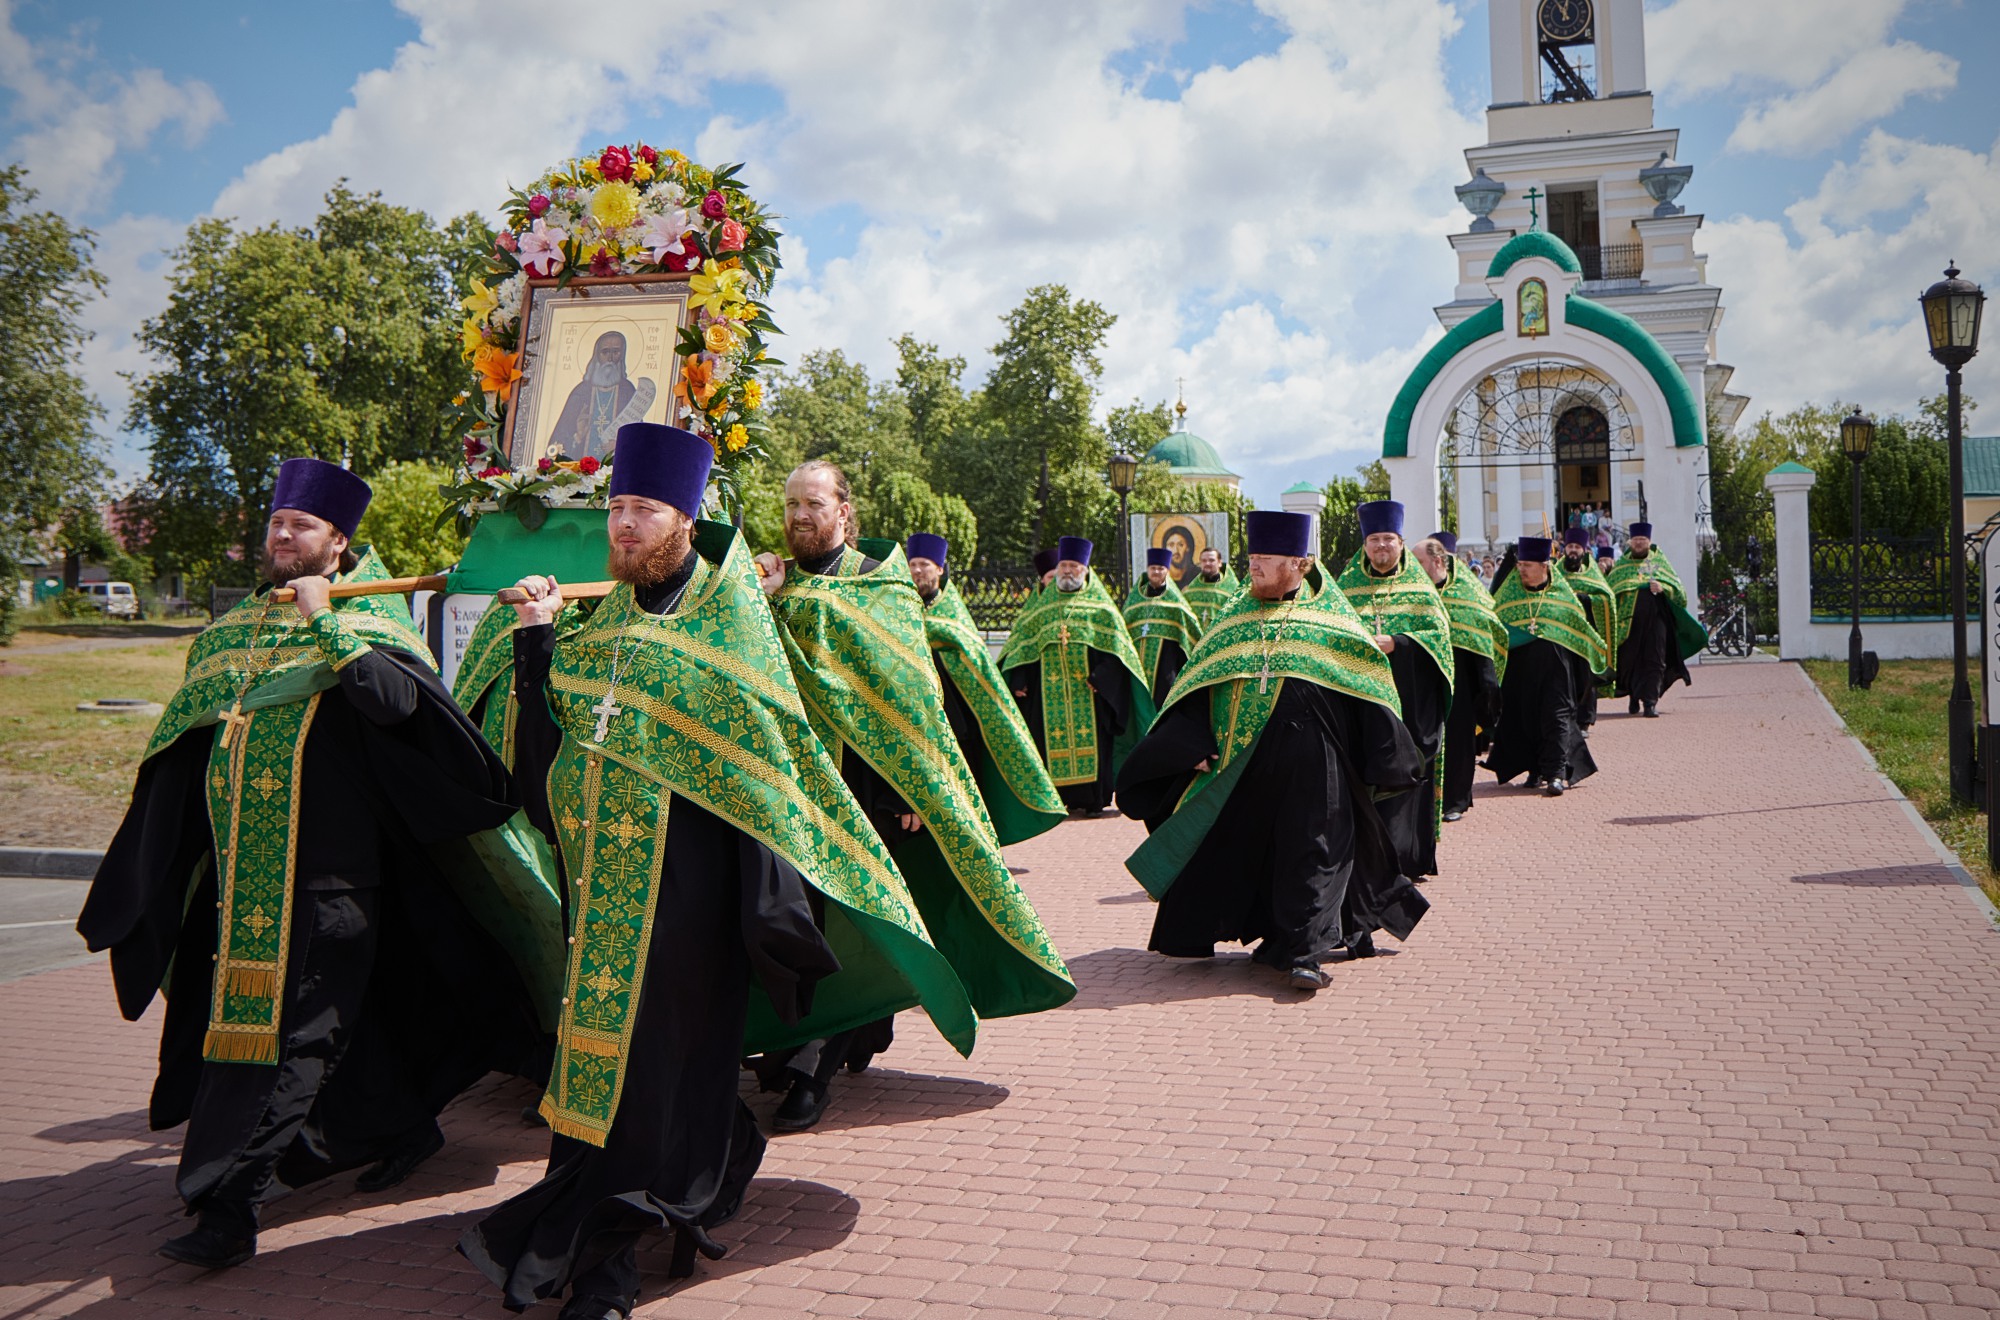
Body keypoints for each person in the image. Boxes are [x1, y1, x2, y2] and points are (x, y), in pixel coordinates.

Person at [463, 426, 975, 1319]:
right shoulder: (602, 625)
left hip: (694, 903)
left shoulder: (730, 623)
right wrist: (538, 637)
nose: (622, 527)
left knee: (659, 1069)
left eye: (642, 511)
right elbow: (544, 771)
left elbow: (772, 780)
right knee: (611, 1071)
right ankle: (704, 1158)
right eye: (616, 510)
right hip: (604, 899)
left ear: (685, 519)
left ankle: (610, 1264)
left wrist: (771, 916)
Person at [79, 458, 560, 1272]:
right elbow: (183, 746)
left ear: (338, 546)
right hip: (245, 883)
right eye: (275, 525)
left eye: (299, 528)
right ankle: (398, 1125)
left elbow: (396, 704)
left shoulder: (369, 628)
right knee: (275, 1036)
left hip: (335, 886)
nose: (280, 537)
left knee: (293, 1045)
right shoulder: (236, 634)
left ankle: (231, 1206)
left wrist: (327, 624)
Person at [754, 463, 1074, 1131]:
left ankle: (815, 1070)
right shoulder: (777, 584)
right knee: (797, 920)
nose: (799, 516)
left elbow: (911, 703)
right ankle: (840, 1032)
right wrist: (764, 597)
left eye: (813, 503)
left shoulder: (881, 587)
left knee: (860, 922)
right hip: (793, 790)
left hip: (872, 791)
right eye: (791, 505)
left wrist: (912, 789)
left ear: (845, 511)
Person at [1116, 511, 1428, 992]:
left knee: (1315, 850)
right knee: (1257, 850)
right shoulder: (1233, 619)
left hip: (1319, 763)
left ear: (1299, 565)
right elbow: (1197, 686)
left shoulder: (1331, 620)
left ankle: (1307, 953)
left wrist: (1388, 756)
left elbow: (1369, 687)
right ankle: (1278, 938)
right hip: (1247, 763)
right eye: (1252, 557)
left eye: (1266, 558)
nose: (1254, 566)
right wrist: (1190, 746)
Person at [911, 534, 1068, 846]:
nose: (917, 571)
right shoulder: (900, 612)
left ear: (940, 569)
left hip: (960, 723)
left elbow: (973, 663)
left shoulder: (952, 615)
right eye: (912, 564)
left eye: (924, 565)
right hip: (919, 722)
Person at [1335, 501, 1453, 883]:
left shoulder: (1420, 589)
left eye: (1388, 538)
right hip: (1363, 701)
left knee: (1409, 776)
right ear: (1364, 544)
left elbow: (1440, 642)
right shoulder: (1345, 589)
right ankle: (1368, 854)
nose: (1381, 546)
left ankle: (1407, 857)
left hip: (1410, 702)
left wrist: (1399, 643)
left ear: (1401, 543)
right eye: (1373, 539)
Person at [998, 537, 1155, 816]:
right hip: (1049, 696)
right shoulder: (1041, 608)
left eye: (1073, 565)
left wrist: (1101, 678)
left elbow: (1118, 654)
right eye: (1063, 565)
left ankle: (1094, 800)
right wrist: (1020, 678)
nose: (1067, 571)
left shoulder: (1102, 610)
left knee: (1096, 744)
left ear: (1085, 569)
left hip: (1090, 695)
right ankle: (1056, 799)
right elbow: (1023, 646)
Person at [1483, 537, 1608, 796]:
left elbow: (1580, 630)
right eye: (1520, 564)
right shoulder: (1507, 597)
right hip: (1520, 674)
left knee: (1557, 718)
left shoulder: (1562, 597)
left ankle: (1556, 774)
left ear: (1545, 566)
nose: (1522, 570)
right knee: (1526, 719)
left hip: (1557, 673)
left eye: (1528, 565)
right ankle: (1535, 768)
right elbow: (1494, 629)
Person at [1413, 531, 1505, 823]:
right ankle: (1425, 800)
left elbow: (1483, 636)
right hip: (1423, 679)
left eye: (1418, 561)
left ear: (1438, 560)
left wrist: (1487, 685)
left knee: (1459, 741)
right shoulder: (1412, 593)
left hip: (1460, 679)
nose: (1412, 567)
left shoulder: (1467, 591)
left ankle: (1456, 800)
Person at [1607, 522, 1705, 717]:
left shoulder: (1659, 563)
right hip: (1629, 623)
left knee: (1655, 660)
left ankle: (1650, 702)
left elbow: (1679, 593)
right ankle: (1634, 696)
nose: (1639, 543)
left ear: (1649, 541)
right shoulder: (1622, 566)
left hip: (1657, 622)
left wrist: (1663, 588)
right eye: (1636, 540)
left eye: (1642, 540)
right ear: (1630, 542)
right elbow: (1611, 592)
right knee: (1630, 660)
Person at [547, 331, 658, 463]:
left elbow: (638, 437)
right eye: (605, 352)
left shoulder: (627, 391)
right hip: (578, 475)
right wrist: (578, 437)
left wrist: (619, 447)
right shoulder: (581, 392)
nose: (610, 358)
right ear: (597, 355)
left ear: (622, 355)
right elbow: (558, 441)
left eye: (616, 352)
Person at [1123, 546, 1203, 707]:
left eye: (1161, 568)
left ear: (1167, 571)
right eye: (1153, 568)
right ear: (1147, 570)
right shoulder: (1135, 600)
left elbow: (1191, 633)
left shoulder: (1175, 601)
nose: (1157, 572)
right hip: (1138, 663)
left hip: (1167, 664)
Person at [1558, 527, 1617, 730]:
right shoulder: (1555, 573)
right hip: (1562, 636)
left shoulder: (1593, 575)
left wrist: (1587, 599)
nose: (1573, 550)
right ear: (1565, 549)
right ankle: (1567, 717)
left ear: (1584, 550)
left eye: (1577, 547)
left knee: (1586, 676)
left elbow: (1606, 598)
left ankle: (1584, 720)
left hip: (1587, 637)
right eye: (1570, 547)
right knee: (1564, 676)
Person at [1182, 545, 1240, 629]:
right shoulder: (1190, 591)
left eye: (1211, 560)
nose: (1207, 563)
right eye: (1204, 561)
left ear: (1219, 563)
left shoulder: (1231, 591)